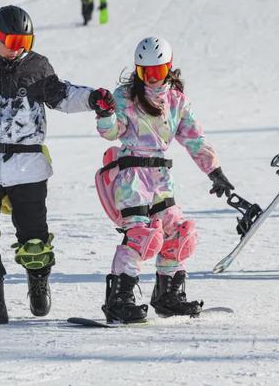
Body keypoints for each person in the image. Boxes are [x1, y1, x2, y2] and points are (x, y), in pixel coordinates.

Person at [0, 5, 114, 326]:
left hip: (27, 164)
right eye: (12, 41)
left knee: (34, 238)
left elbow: (61, 95)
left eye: (25, 42)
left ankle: (38, 279)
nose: (18, 49)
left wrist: (92, 99)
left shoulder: (36, 66)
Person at [94, 37, 235, 324]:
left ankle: (168, 296)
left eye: (158, 72)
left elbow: (194, 139)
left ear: (169, 69)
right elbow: (111, 133)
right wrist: (105, 114)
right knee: (141, 237)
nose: (152, 78)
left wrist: (215, 171)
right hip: (131, 174)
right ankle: (119, 300)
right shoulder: (124, 97)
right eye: (146, 73)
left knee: (180, 233)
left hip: (160, 176)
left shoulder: (176, 101)